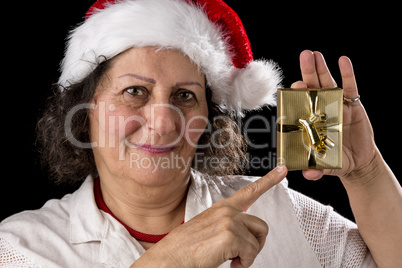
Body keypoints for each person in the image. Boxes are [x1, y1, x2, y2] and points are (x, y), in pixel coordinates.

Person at [0, 0, 401, 267]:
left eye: (185, 96)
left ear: (209, 119)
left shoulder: (280, 211)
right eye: (134, 91)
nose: (164, 121)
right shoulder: (21, 248)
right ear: (84, 113)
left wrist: (365, 173)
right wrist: (170, 261)